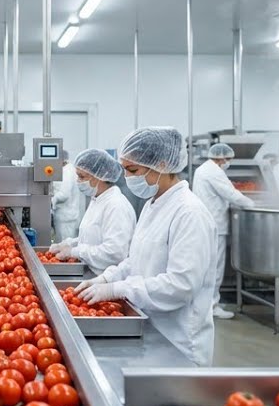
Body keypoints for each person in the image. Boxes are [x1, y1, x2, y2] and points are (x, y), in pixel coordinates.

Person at [75, 127, 218, 366]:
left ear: (162, 165)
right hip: (149, 326)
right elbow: (136, 259)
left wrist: (119, 289)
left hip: (178, 341)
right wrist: (107, 278)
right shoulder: (153, 204)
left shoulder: (189, 213)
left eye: (133, 170)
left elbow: (181, 285)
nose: (126, 177)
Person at [192, 143, 256, 320]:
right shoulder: (213, 172)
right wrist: (252, 204)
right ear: (220, 158)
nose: (228, 162)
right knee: (215, 267)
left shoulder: (203, 169)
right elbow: (231, 193)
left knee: (207, 266)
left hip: (207, 223)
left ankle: (206, 303)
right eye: (228, 159)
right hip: (215, 225)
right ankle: (212, 305)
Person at [50, 149, 137, 276]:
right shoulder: (98, 199)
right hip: (92, 273)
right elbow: (92, 238)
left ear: (99, 176)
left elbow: (114, 253)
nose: (78, 181)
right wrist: (69, 243)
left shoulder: (116, 206)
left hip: (105, 278)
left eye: (82, 177)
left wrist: (75, 252)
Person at [51, 150, 86, 243]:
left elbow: (64, 194)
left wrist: (51, 200)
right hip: (69, 215)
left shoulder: (66, 172)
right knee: (68, 243)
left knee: (65, 244)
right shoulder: (70, 169)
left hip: (65, 217)